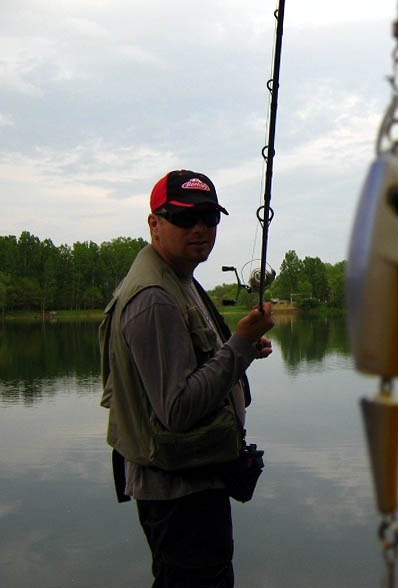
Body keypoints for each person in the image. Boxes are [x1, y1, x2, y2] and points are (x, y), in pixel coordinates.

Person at [99, 169, 275, 587]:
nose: (200, 228)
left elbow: (195, 365)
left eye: (209, 218)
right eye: (184, 217)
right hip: (178, 491)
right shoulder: (154, 298)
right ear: (154, 224)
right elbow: (176, 410)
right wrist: (239, 347)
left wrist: (244, 348)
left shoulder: (179, 277)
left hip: (193, 479)